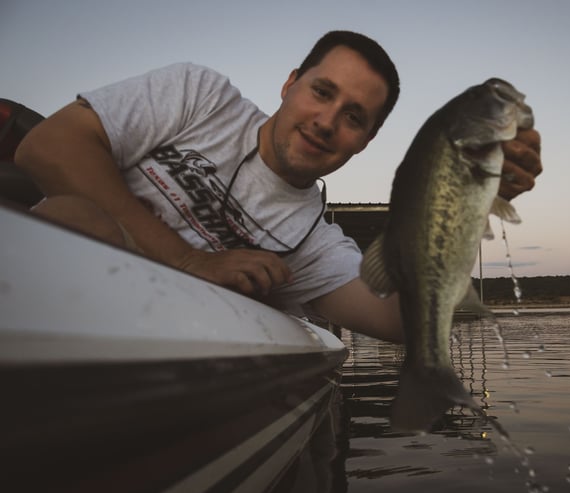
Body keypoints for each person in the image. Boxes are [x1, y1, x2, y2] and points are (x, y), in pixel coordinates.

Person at [14, 30, 542, 344]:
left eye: (353, 116)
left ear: (365, 140)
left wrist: (476, 200)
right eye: (321, 91)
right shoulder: (200, 96)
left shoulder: (312, 244)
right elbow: (46, 147)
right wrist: (188, 260)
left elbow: (405, 322)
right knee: (74, 220)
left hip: (166, 351)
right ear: (290, 84)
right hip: (42, 300)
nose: (326, 121)